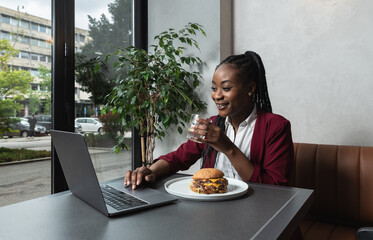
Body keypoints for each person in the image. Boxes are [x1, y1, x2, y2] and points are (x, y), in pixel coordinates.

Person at [125, 51, 294, 190]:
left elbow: (276, 187)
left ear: (250, 89)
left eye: (226, 88)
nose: (217, 96)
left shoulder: (276, 127)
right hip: (213, 212)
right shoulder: (212, 124)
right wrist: (150, 171)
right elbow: (179, 157)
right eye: (214, 88)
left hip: (259, 214)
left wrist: (227, 147)